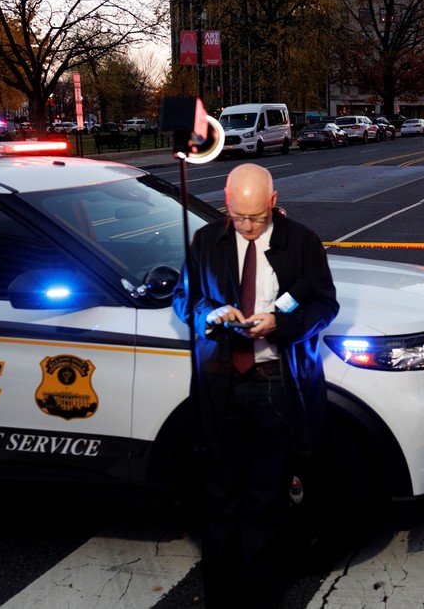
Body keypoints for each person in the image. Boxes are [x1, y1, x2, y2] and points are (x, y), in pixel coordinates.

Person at [172, 163, 339, 608]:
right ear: (228, 206)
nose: (246, 228)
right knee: (218, 498)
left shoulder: (302, 242)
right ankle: (222, 599)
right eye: (237, 217)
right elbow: (184, 299)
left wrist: (279, 324)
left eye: (255, 218)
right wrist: (210, 313)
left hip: (276, 386)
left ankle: (258, 597)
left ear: (273, 201)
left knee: (265, 499)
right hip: (220, 385)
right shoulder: (208, 240)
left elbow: (325, 305)